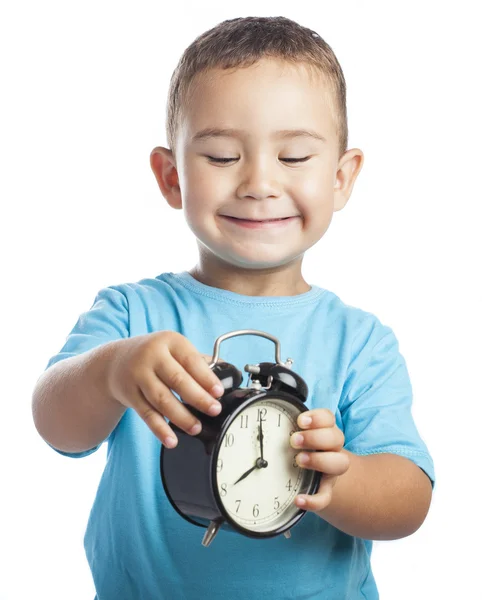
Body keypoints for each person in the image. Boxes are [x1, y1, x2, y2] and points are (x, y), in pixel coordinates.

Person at [32, 15, 435, 600]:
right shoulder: (132, 315)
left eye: (294, 157)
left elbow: (410, 500)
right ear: (171, 177)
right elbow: (56, 427)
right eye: (221, 156)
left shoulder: (360, 342)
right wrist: (109, 370)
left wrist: (337, 477)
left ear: (342, 178)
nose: (258, 183)